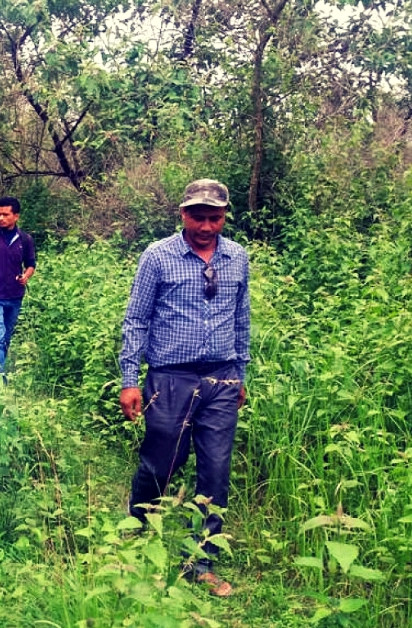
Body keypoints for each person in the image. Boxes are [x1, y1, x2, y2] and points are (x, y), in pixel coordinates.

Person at [118, 179, 250, 597]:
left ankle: (201, 558)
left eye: (215, 217)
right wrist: (129, 379)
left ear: (225, 216)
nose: (207, 226)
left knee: (216, 468)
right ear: (183, 214)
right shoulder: (157, 257)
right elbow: (136, 319)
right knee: (162, 461)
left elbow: (242, 319)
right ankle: (138, 526)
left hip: (222, 377)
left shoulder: (237, 257)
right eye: (199, 217)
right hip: (171, 377)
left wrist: (241, 375)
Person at [0, 197, 36, 375]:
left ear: (16, 216)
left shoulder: (24, 239)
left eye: (5, 214)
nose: (1, 218)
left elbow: (31, 263)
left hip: (15, 295)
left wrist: (26, 276)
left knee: (7, 336)